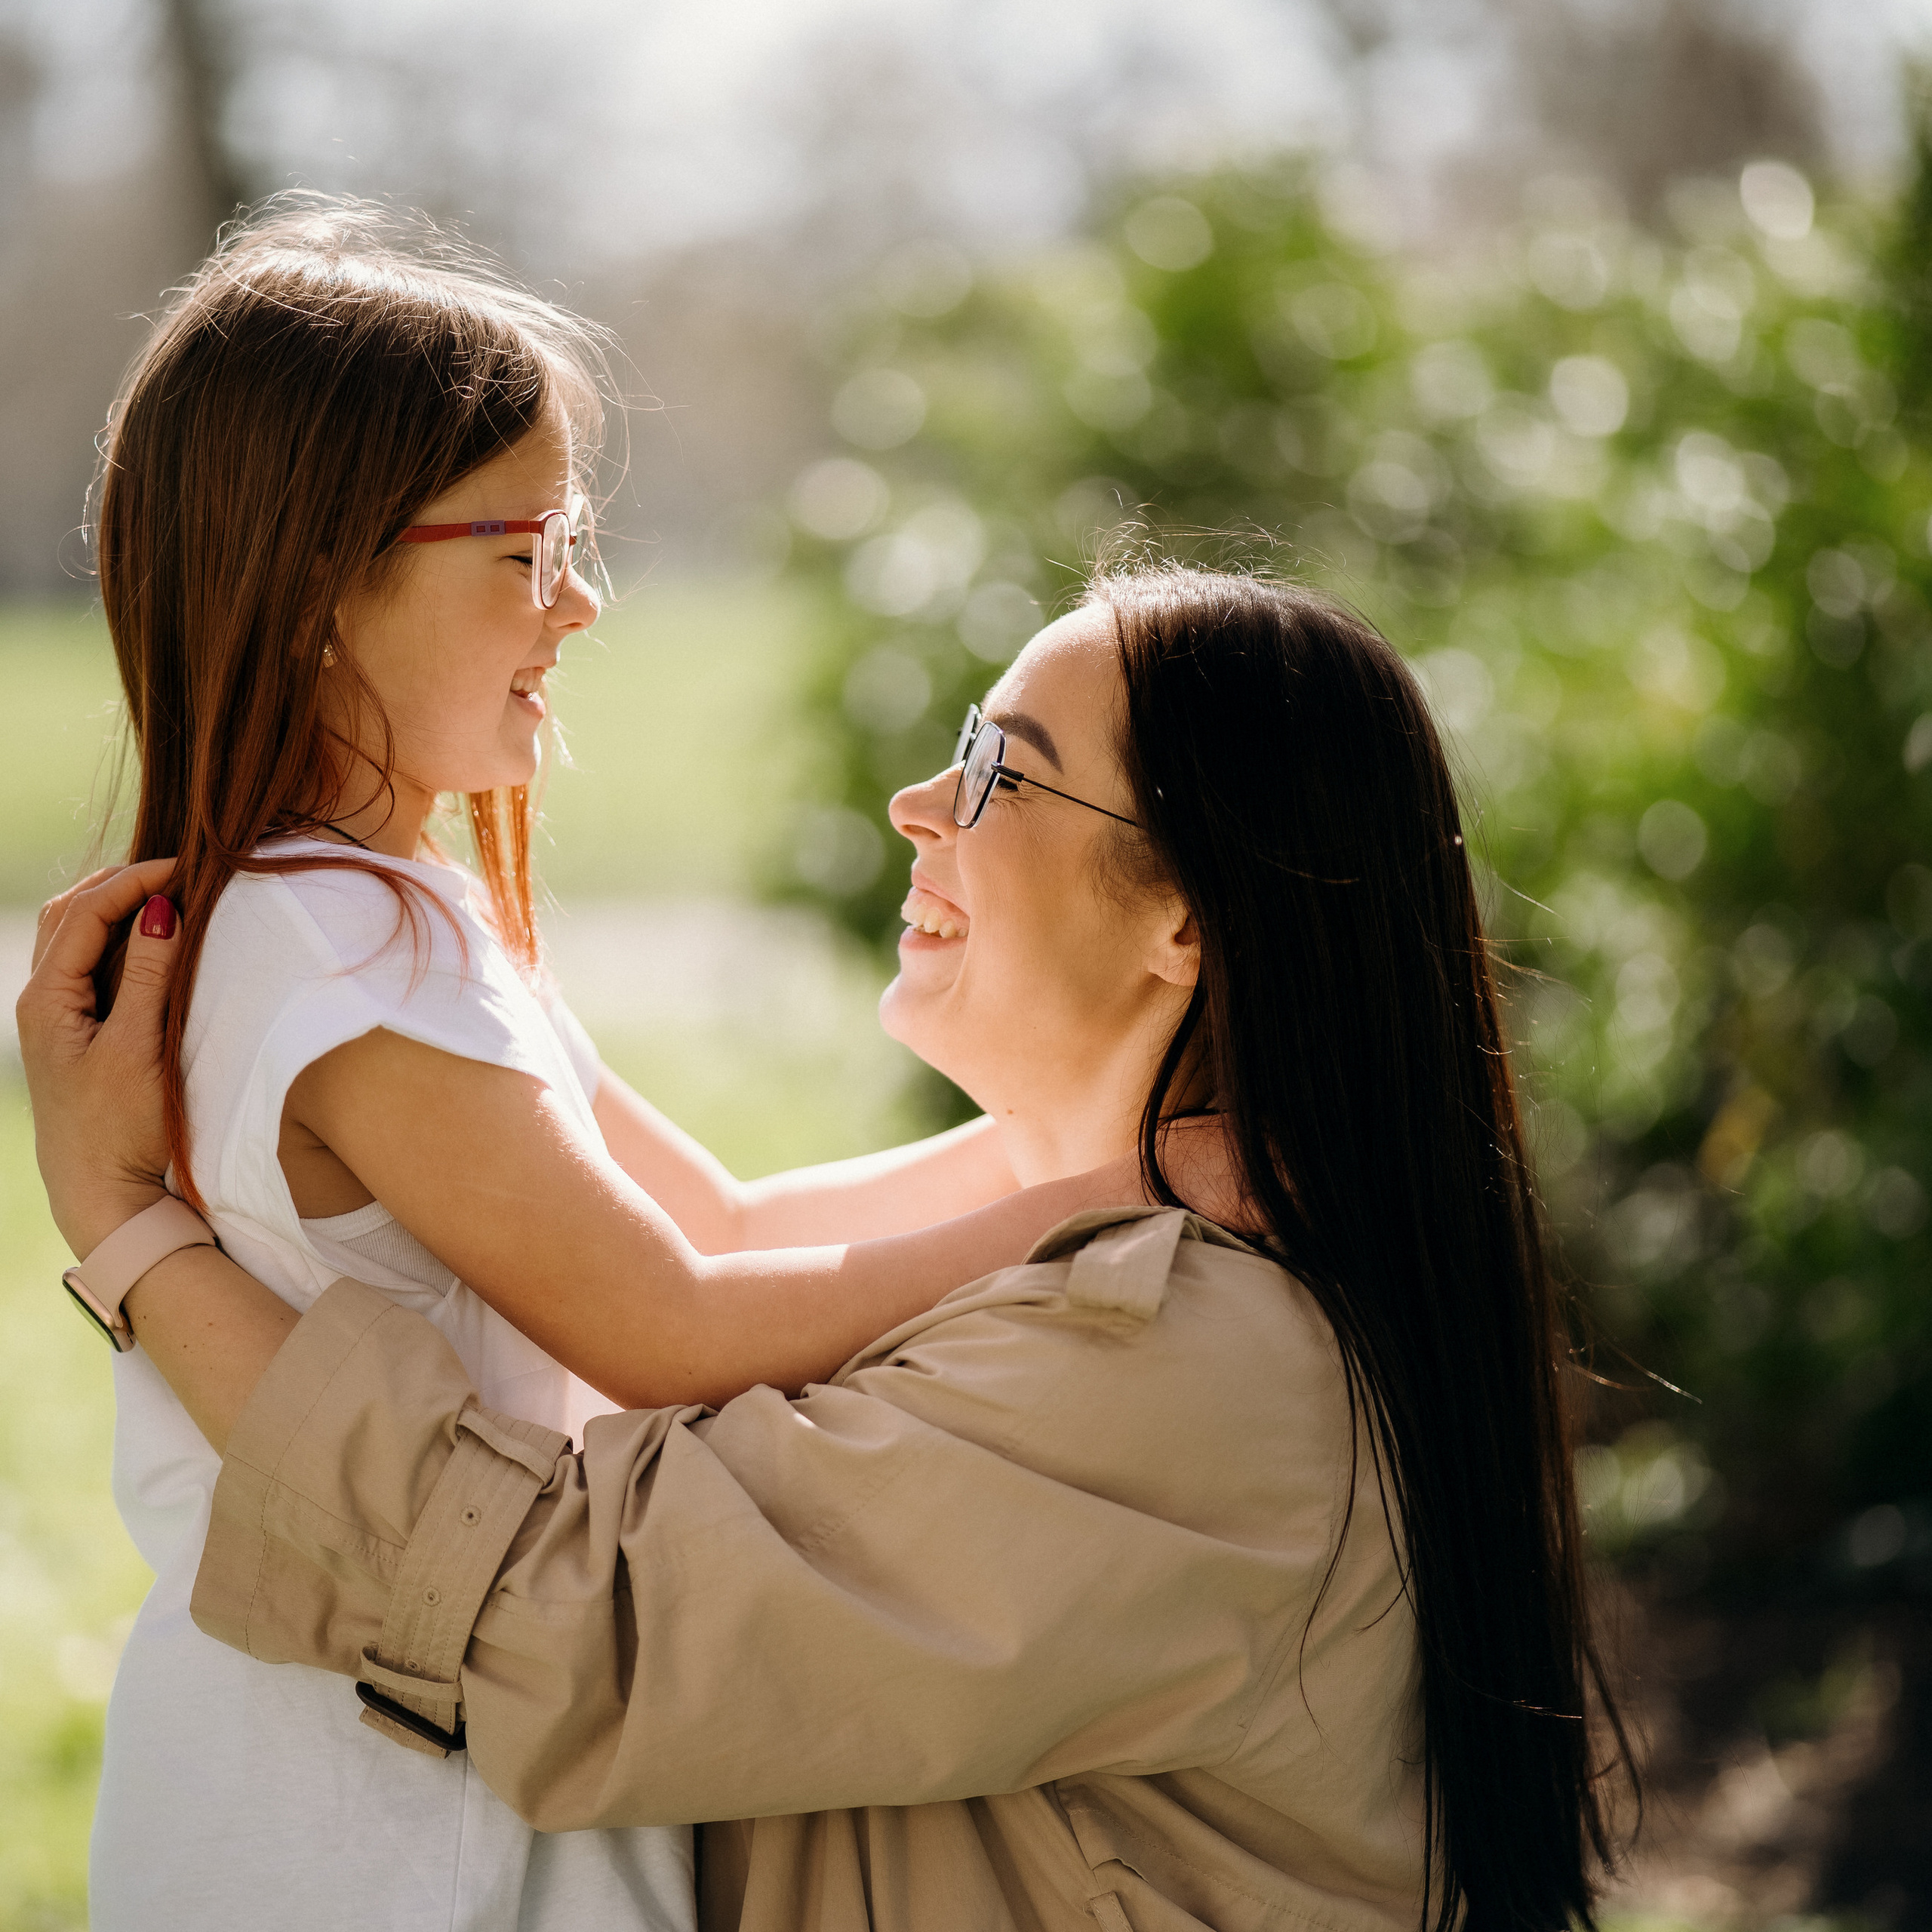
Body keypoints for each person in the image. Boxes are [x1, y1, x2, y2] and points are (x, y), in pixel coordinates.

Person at [22, 565, 1634, 1932]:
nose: (918, 804)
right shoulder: (1120, 1230)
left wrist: (129, 1226)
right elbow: (706, 1238)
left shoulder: (1186, 1356)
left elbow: (564, 1611)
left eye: (999, 771)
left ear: (1185, 922)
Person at [55, 195, 1132, 1932]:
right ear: (327, 581)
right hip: (366, 1844)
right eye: (528, 550)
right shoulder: (336, 950)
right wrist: (1112, 1203)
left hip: (443, 1781)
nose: (585, 601)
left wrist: (1108, 1144)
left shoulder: (377, 919)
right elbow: (675, 1320)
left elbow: (719, 1213)